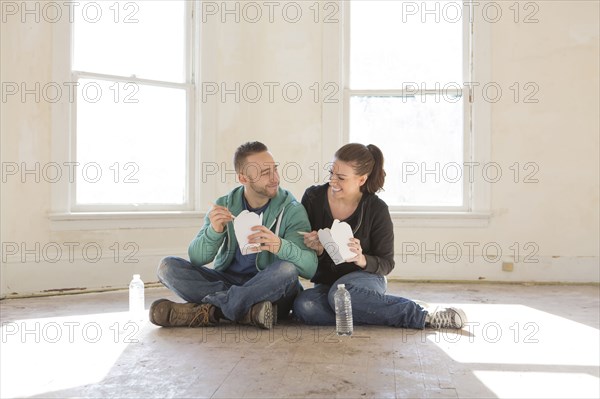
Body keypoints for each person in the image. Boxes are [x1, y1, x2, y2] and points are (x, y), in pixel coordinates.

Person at [293, 143, 467, 329]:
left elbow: (386, 263)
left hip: (365, 279)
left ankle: (423, 316)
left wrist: (361, 259)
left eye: (341, 178)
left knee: (341, 294)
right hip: (327, 282)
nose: (333, 181)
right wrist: (317, 250)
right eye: (331, 174)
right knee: (305, 306)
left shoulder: (377, 209)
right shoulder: (313, 198)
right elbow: (303, 254)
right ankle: (379, 308)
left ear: (361, 180)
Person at [150, 141, 317, 330]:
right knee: (167, 267)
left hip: (270, 286)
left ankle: (211, 312)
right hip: (229, 280)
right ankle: (247, 311)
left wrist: (280, 246)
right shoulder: (225, 204)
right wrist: (214, 231)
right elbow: (197, 258)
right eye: (265, 173)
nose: (275, 178)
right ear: (243, 179)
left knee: (287, 270)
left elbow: (309, 268)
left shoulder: (292, 210)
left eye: (275, 169)